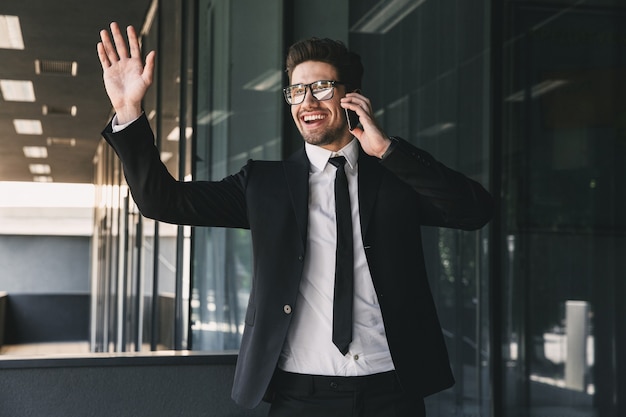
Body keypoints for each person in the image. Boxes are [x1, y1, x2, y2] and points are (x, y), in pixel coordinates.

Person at [97, 22, 493, 417]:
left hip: (391, 392)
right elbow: (162, 202)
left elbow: (473, 211)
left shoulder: (394, 178)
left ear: (352, 97)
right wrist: (129, 111)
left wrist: (387, 149)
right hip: (299, 398)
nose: (308, 102)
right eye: (297, 91)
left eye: (321, 87)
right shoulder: (263, 185)